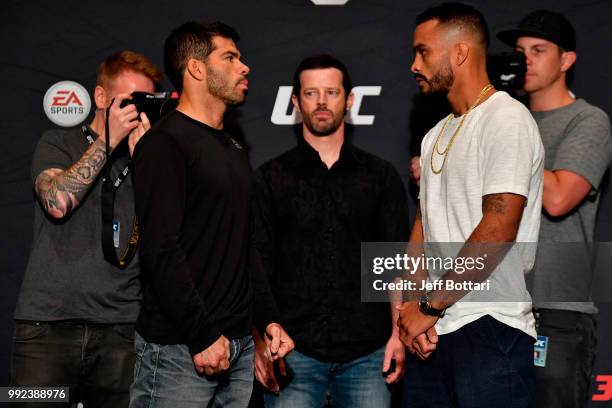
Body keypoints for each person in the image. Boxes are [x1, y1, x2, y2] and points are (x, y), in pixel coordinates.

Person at [129, 21, 293, 408]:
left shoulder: (233, 147)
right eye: (231, 57)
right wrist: (202, 335)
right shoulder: (164, 143)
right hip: (180, 350)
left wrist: (268, 320)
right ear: (197, 69)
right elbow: (160, 249)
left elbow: (245, 245)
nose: (245, 66)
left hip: (236, 347)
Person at [398, 3, 544, 406]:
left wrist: (429, 305)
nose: (413, 64)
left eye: (422, 51)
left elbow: (498, 228)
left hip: (490, 327)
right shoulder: (434, 136)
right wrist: (413, 308)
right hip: (433, 333)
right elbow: (423, 229)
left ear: (459, 52)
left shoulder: (506, 118)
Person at [251, 54, 409, 408]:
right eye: (311, 93)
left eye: (332, 92)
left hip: (368, 353)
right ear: (296, 102)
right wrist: (261, 339)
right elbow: (258, 265)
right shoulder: (269, 178)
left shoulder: (379, 176)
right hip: (292, 352)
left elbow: (395, 263)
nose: (321, 102)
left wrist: (399, 334)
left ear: (349, 100)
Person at [10, 51, 161, 407]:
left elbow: (167, 236)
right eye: (128, 102)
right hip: (44, 329)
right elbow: (57, 202)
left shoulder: (150, 158)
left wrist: (150, 164)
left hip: (121, 331)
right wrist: (107, 142)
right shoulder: (56, 141)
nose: (135, 113)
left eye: (145, 104)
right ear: (101, 97)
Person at [497, 10, 612, 408]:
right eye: (519, 51)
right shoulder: (502, 121)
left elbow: (559, 198)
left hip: (557, 309)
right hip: (497, 306)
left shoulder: (587, 120)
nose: (524, 59)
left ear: (566, 60)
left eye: (538, 50)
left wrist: (510, 133)